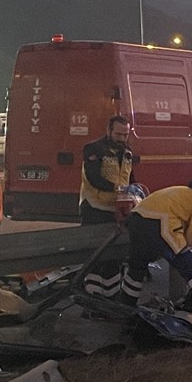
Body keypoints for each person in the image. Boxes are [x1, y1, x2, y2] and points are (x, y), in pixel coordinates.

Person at [120, 184, 192, 325]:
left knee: (136, 272)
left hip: (137, 220)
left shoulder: (186, 192)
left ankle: (125, 311)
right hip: (161, 224)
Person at [79, 115, 137, 297]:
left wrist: (133, 192)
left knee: (114, 257)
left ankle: (110, 297)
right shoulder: (93, 149)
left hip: (116, 210)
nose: (122, 138)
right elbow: (94, 177)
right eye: (118, 134)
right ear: (109, 131)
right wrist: (118, 188)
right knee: (96, 256)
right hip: (94, 209)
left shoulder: (127, 151)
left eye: (125, 134)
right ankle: (91, 298)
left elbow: (130, 177)